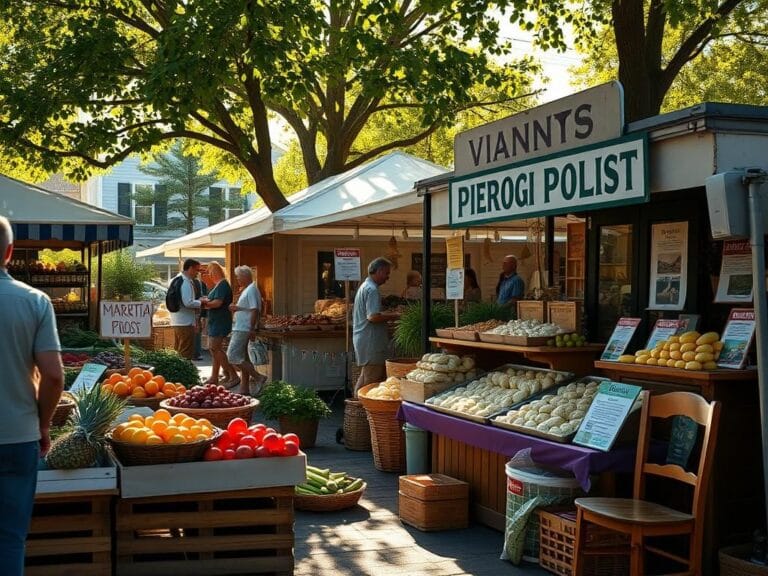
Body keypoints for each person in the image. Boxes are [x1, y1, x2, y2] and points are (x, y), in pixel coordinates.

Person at [0, 216, 64, 574]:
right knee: (9, 539)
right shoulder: (35, 302)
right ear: (10, 252)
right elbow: (53, 376)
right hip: (18, 436)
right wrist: (43, 426)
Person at [353, 257, 400, 396]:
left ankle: (359, 409)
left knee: (365, 377)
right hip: (370, 340)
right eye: (386, 273)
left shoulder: (365, 286)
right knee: (371, 380)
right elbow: (373, 317)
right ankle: (365, 411)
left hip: (364, 339)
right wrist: (396, 315)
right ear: (379, 271)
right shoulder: (372, 289)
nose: (388, 277)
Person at [227, 265, 267, 396]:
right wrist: (237, 308)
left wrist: (251, 328)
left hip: (243, 328)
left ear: (245, 276)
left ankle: (258, 377)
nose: (237, 279)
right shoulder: (248, 289)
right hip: (241, 326)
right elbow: (249, 308)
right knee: (243, 358)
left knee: (232, 356)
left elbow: (255, 309)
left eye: (238, 276)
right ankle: (244, 389)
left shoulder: (251, 290)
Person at [202, 261, 238, 387]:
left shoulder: (222, 285)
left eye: (209, 272)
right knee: (214, 349)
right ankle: (215, 376)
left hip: (220, 321)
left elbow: (217, 303)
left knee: (215, 348)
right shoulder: (218, 285)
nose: (208, 275)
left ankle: (233, 375)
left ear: (214, 272)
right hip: (215, 321)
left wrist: (205, 303)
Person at [168, 258, 204, 360]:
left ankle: (177, 373)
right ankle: (183, 374)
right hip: (185, 322)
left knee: (179, 350)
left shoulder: (176, 279)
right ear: (190, 268)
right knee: (185, 352)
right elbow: (188, 302)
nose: (197, 273)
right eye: (196, 270)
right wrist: (201, 302)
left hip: (177, 320)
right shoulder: (185, 281)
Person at [193, 273, 208, 361]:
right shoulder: (198, 283)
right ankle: (196, 353)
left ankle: (196, 353)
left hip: (197, 311)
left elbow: (202, 298)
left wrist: (203, 315)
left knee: (197, 332)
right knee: (196, 332)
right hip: (197, 312)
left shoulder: (198, 283)